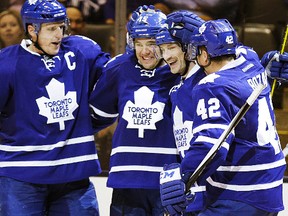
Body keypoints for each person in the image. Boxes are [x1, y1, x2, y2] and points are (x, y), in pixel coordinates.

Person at [159, 19, 286, 215]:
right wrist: (267, 68)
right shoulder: (250, 60)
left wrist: (182, 176)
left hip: (239, 193)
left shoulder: (212, 86)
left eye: (197, 50)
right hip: (270, 189)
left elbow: (211, 146)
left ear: (205, 55)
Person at [0, 0, 110, 215]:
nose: (59, 35)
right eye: (51, 29)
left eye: (61, 27)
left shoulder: (81, 52)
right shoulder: (6, 64)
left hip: (74, 173)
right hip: (22, 175)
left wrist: (91, 122)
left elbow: (114, 85)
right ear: (32, 30)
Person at [89, 7, 181, 215]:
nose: (144, 51)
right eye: (139, 44)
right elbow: (97, 114)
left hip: (168, 180)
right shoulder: (119, 67)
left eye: (151, 44)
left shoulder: (179, 69)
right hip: (127, 178)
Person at [155, 11, 207, 216]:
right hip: (192, 194)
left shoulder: (208, 84)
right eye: (163, 49)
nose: (166, 56)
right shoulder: (177, 87)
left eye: (171, 47)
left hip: (212, 195)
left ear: (190, 47)